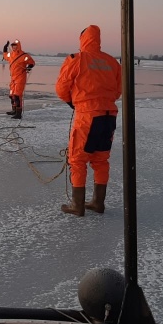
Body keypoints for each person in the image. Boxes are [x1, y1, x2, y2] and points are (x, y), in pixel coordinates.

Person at [55, 25, 122, 216]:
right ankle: (98, 203)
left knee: (77, 159)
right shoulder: (112, 62)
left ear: (82, 38)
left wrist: (72, 101)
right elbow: (118, 89)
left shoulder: (76, 59)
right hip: (108, 115)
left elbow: (61, 88)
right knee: (101, 160)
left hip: (88, 115)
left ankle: (77, 205)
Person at [2, 39, 35, 119]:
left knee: (17, 95)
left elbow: (32, 62)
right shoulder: (11, 55)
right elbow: (5, 55)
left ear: (18, 46)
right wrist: (5, 47)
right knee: (12, 95)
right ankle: (14, 110)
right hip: (13, 78)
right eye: (12, 46)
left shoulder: (24, 56)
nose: (13, 47)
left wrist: (29, 67)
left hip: (20, 78)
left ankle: (18, 113)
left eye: (15, 46)